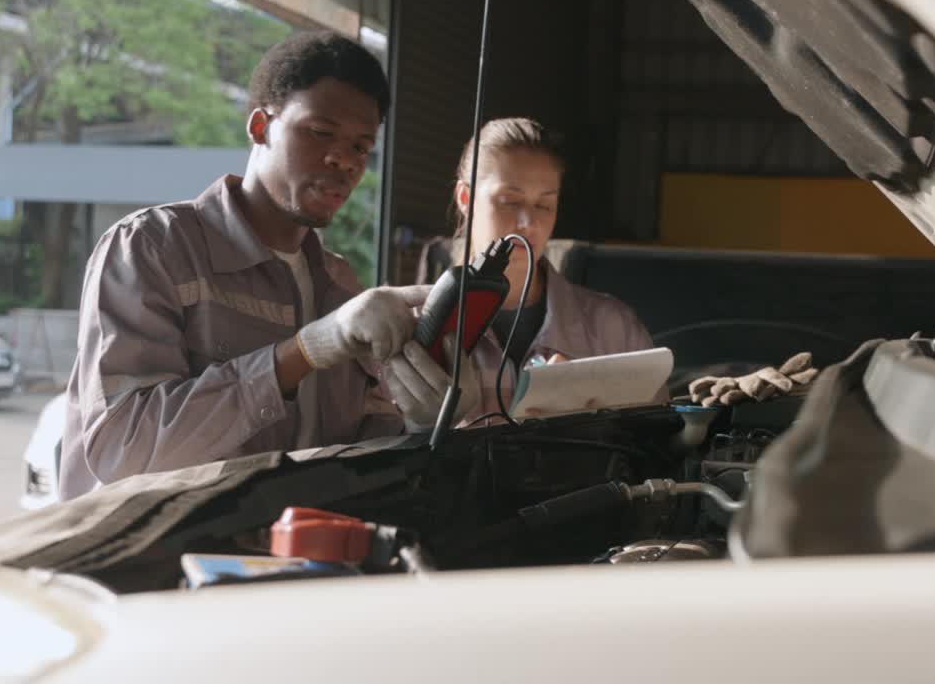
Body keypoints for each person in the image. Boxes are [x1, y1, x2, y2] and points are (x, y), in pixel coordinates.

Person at [59, 33, 479, 500]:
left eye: (361, 147)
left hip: (289, 558)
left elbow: (361, 462)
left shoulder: (340, 287)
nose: (343, 160)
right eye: (320, 132)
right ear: (260, 126)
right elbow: (123, 450)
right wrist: (303, 351)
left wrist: (420, 422)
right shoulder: (151, 249)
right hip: (151, 560)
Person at [445, 117, 656, 424]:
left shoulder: (613, 331)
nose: (528, 223)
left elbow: (655, 447)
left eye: (544, 205)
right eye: (509, 201)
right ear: (465, 198)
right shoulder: (418, 329)